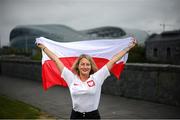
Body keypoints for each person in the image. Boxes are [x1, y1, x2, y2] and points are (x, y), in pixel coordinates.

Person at [37, 38, 137, 119]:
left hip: (93, 116)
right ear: (78, 66)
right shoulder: (71, 78)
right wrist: (43, 47)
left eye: (87, 64)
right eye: (82, 64)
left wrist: (128, 48)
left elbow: (113, 61)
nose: (85, 67)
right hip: (76, 116)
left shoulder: (97, 77)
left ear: (91, 66)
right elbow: (56, 60)